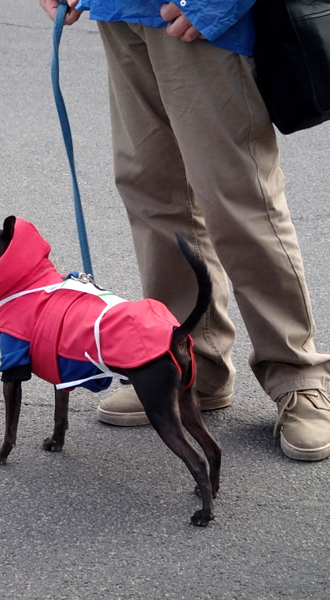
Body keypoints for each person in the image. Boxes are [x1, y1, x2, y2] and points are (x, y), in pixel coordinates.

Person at [39, 0, 330, 460]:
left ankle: (298, 375)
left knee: (238, 197)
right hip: (121, 13)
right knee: (152, 188)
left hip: (201, 15)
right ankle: (189, 365)